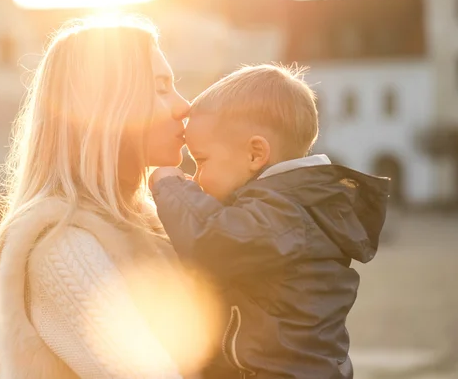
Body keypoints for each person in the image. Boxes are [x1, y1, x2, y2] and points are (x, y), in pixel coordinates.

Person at [0, 16, 222, 379]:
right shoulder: (60, 243)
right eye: (162, 88)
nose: (184, 106)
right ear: (109, 106)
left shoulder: (150, 224)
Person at [150, 64, 391, 379]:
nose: (196, 177)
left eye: (202, 161)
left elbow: (215, 241)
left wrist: (170, 185)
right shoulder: (293, 206)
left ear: (255, 154)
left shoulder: (286, 213)